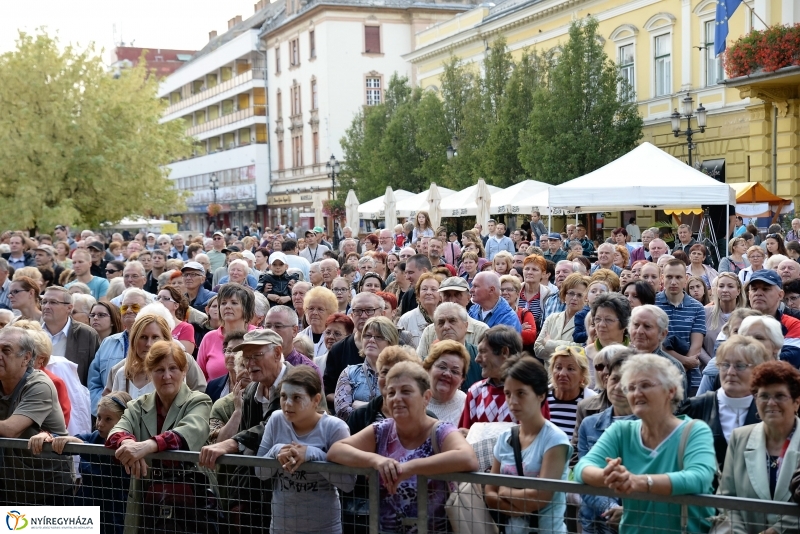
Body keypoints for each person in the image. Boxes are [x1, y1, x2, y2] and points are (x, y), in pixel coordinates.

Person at [327, 361, 479, 534]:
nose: (397, 398)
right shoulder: (382, 430)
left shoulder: (441, 431)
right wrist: (376, 460)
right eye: (391, 393)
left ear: (426, 397)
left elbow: (468, 458)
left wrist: (410, 467)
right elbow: (336, 450)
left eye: (406, 391)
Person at [574, 353, 717, 534]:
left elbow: (699, 478)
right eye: (631, 387)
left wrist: (639, 482)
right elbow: (582, 468)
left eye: (645, 385)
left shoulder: (695, 430)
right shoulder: (621, 431)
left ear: (671, 391)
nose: (636, 393)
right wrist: (612, 477)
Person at [106, 340, 212, 533]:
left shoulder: (199, 401)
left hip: (192, 499)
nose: (166, 376)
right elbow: (115, 432)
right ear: (149, 372)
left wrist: (146, 447)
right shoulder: (138, 405)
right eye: (159, 370)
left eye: (173, 368)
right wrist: (128, 443)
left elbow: (186, 434)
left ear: (184, 371)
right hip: (147, 496)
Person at [255, 366, 354, 534]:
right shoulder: (276, 420)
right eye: (283, 396)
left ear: (316, 400)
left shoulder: (335, 427)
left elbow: (348, 483)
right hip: (281, 527)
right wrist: (276, 451)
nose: (288, 404)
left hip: (324, 528)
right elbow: (260, 472)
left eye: (297, 397)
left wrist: (312, 454)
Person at [485, 354, 572, 534]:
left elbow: (541, 496)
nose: (512, 401)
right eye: (508, 394)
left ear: (540, 394)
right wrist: (518, 505)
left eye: (521, 393)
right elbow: (490, 493)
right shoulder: (504, 439)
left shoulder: (555, 439)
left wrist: (505, 492)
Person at [29, 391, 133, 534]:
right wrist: (47, 436)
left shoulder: (128, 445)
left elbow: (104, 457)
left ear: (124, 421)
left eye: (108, 419)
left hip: (113, 514)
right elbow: (66, 442)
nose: (100, 424)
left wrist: (81, 445)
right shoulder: (95, 437)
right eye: (99, 417)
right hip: (84, 507)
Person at [718, 360, 800, 533]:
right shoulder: (739, 437)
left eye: (779, 396)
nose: (771, 403)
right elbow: (727, 499)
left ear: (796, 402)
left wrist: (775, 531)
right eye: (764, 396)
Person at [0, 326, 73, 505]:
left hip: (48, 489)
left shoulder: (39, 385)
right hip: (11, 487)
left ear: (26, 358)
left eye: (6, 350)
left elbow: (10, 430)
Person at [679, 335, 763, 472]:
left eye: (740, 366)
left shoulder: (767, 409)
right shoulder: (695, 407)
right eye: (725, 365)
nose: (730, 372)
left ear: (757, 370)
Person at [577, 351, 636, 534]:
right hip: (595, 523)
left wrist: (628, 512)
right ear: (606, 379)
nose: (618, 387)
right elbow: (583, 477)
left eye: (626, 382)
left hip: (636, 523)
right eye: (615, 379)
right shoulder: (589, 425)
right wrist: (611, 509)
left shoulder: (651, 427)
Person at [107, 310, 206, 399]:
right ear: (134, 341)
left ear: (166, 340)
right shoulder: (121, 373)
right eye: (143, 337)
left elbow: (200, 395)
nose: (149, 344)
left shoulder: (179, 367)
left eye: (155, 337)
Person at [459, 326, 524, 428]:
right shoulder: (475, 392)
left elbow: (536, 436)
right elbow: (463, 435)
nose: (477, 359)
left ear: (504, 352)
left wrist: (479, 433)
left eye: (483, 351)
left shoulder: (529, 394)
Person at [334, 316, 398, 420]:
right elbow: (343, 412)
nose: (371, 340)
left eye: (379, 337)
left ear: (390, 343)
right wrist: (381, 411)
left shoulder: (399, 374)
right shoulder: (349, 373)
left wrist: (361, 406)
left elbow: (398, 411)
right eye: (367, 336)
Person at [197, 283, 256, 381]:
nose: (227, 306)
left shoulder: (257, 335)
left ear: (246, 308)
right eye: (223, 303)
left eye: (234, 303)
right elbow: (199, 377)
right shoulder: (209, 338)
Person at [534, 273, 589, 363]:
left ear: (587, 298)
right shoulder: (552, 318)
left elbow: (581, 350)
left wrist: (550, 344)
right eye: (571, 293)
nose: (574, 298)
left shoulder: (588, 322)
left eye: (580, 295)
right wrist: (568, 348)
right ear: (564, 295)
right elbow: (537, 349)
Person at [547, 346, 596, 441]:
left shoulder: (593, 403)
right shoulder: (540, 398)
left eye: (570, 369)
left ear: (582, 375)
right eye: (558, 367)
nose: (562, 373)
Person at [584, 293, 630, 386]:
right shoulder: (584, 356)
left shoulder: (635, 355)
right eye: (597, 319)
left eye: (608, 320)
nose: (601, 325)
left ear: (624, 324)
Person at [422, 340, 469, 424]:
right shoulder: (415, 399)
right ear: (428, 369)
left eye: (454, 371)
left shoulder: (467, 405)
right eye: (442, 367)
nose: (447, 374)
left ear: (462, 379)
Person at [398, 272, 442, 349]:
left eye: (433, 289)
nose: (429, 292)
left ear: (441, 295)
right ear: (418, 294)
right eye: (424, 289)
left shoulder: (446, 320)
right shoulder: (406, 319)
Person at [206, 330, 246, 403]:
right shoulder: (213, 386)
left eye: (237, 351)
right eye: (229, 351)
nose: (231, 355)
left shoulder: (254, 385)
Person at [500, 274, 537, 350]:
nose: (505, 292)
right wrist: (519, 328)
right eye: (502, 290)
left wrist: (500, 331)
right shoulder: (492, 312)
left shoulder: (525, 313)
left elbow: (530, 337)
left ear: (517, 294)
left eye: (509, 289)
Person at [156, 285, 196, 354]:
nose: (160, 301)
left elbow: (185, 355)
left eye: (165, 298)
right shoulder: (151, 325)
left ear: (176, 305)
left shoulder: (186, 327)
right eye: (158, 298)